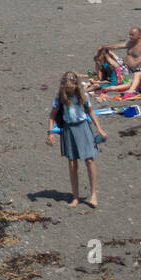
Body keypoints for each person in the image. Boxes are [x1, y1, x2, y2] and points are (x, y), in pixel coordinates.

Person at [45, 71, 106, 208]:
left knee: (89, 160)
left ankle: (93, 194)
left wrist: (99, 129)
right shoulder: (60, 97)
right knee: (72, 164)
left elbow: (90, 111)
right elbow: (52, 116)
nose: (69, 90)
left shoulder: (82, 95)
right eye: (66, 88)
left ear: (75, 85)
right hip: (68, 129)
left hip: (83, 127)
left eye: (71, 88)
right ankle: (76, 197)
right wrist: (50, 133)